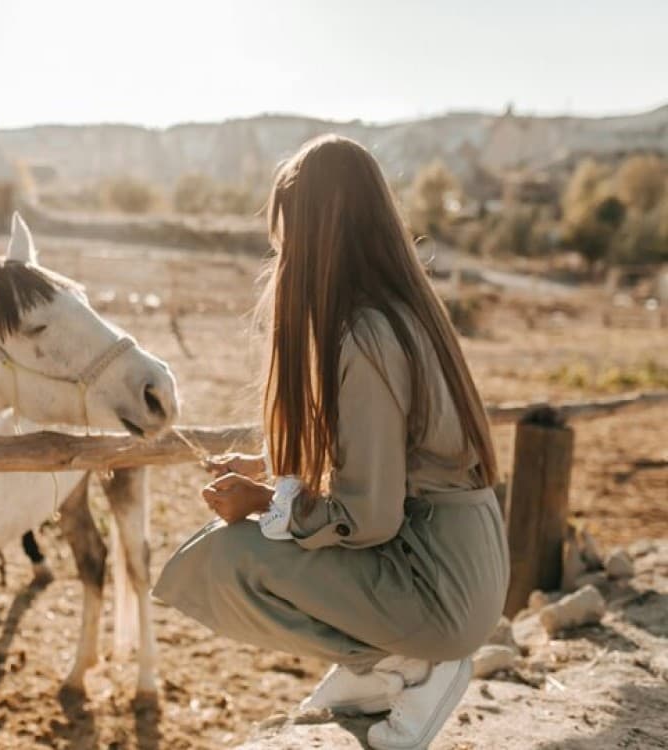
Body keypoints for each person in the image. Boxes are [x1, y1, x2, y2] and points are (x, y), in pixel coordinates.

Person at [153, 135, 509, 750]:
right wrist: (270, 469)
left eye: (286, 235)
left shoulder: (366, 338)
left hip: (440, 586)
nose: (282, 254)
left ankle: (408, 661)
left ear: (319, 235)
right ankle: (393, 662)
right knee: (242, 550)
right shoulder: (402, 314)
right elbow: (387, 460)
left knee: (229, 558)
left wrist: (265, 501)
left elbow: (367, 517)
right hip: (465, 563)